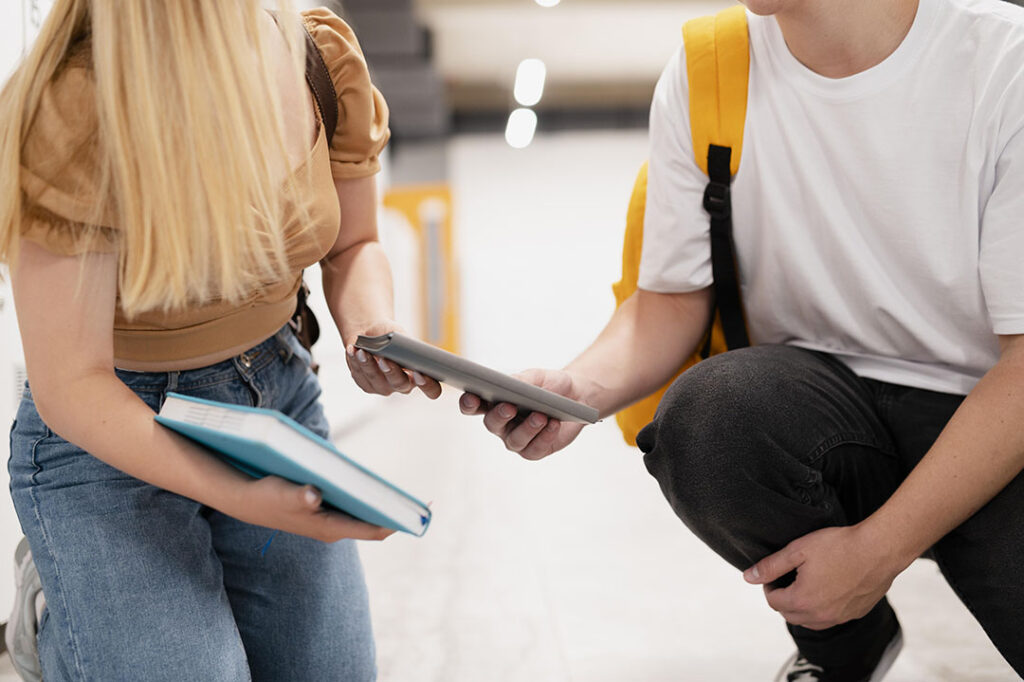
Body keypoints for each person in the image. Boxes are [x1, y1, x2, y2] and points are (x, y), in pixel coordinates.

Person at [459, 0, 1024, 679]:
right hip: (822, 409)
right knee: (711, 415)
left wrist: (877, 552)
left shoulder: (1003, 62)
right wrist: (577, 390)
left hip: (995, 423)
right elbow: (671, 301)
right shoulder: (713, 68)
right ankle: (844, 648)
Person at [0, 1, 441, 679]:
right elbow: (70, 384)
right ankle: (54, 620)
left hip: (273, 399)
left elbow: (355, 244)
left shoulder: (317, 55)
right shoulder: (71, 106)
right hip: (108, 432)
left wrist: (372, 328)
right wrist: (241, 495)